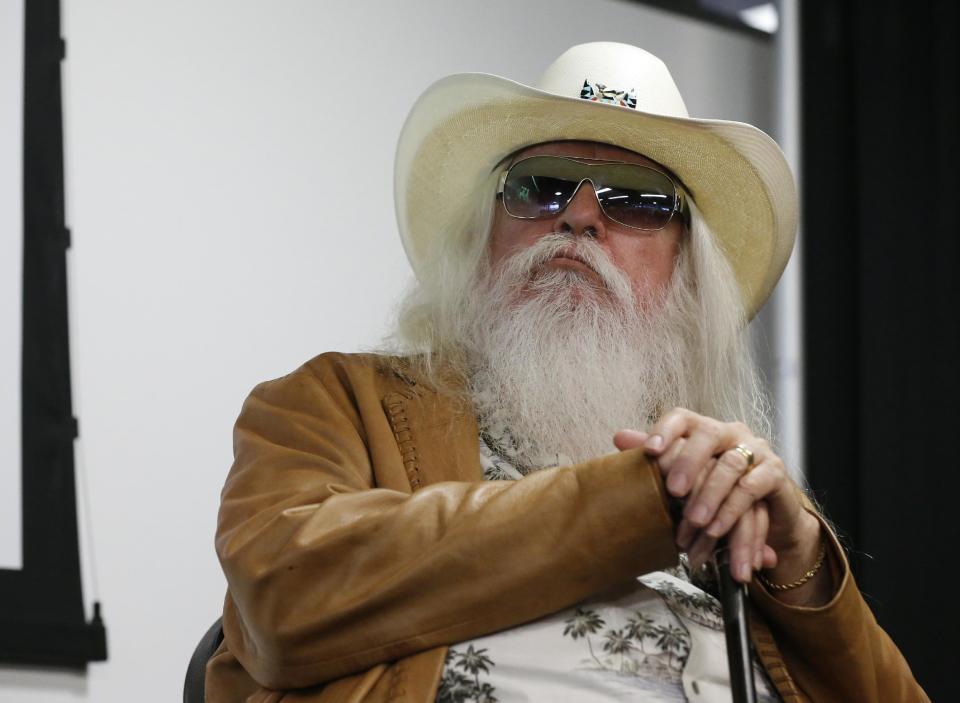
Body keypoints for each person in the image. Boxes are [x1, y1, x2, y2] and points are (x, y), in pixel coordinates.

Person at [206, 43, 928, 702]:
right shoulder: (334, 402)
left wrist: (801, 560)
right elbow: (281, 597)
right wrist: (648, 499)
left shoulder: (732, 485)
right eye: (541, 185)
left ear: (688, 269)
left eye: (635, 200)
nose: (580, 216)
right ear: (482, 236)